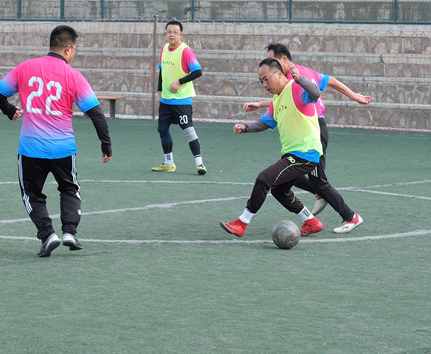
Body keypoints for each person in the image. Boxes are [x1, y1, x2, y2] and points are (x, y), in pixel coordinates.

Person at [0, 25, 112, 257]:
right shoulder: (73, 76)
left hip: (31, 149)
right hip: (63, 148)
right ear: (68, 49)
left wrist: (9, 110)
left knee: (31, 193)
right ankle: (69, 232)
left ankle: (47, 235)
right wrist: (105, 144)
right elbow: (96, 114)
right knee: (69, 188)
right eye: (75, 50)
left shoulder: (25, 68)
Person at [242, 43, 372, 234]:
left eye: (272, 60)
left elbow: (305, 94)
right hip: (309, 128)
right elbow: (327, 82)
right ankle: (318, 208)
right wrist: (354, 96)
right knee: (291, 175)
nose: (269, 63)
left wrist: (355, 97)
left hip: (313, 129)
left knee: (317, 180)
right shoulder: (297, 75)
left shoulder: (295, 76)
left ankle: (349, 216)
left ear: (283, 59)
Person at [221, 58, 325, 238]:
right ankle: (311, 221)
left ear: (278, 73)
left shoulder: (295, 88)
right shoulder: (276, 99)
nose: (264, 85)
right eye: (261, 81)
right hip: (293, 154)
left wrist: (300, 79)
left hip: (305, 154)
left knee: (264, 179)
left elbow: (315, 93)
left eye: (266, 79)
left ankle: (242, 223)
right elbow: (265, 122)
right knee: (279, 191)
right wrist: (245, 127)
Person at [151, 20, 206, 175]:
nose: (172, 34)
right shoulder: (164, 49)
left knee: (188, 130)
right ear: (165, 33)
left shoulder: (186, 51)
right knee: (162, 129)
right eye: (169, 31)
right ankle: (169, 163)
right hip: (166, 100)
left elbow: (198, 72)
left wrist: (179, 82)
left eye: (175, 32)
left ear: (181, 34)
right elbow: (162, 71)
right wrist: (159, 91)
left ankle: (200, 164)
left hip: (182, 100)